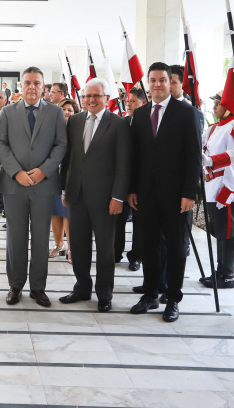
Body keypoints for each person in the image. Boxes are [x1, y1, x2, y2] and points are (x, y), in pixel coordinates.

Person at [127, 62, 201, 323]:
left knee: (175, 248)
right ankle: (150, 294)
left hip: (176, 195)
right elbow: (135, 157)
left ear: (170, 82)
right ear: (148, 83)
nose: (157, 84)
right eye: (153, 80)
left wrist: (189, 192)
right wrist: (133, 189)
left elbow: (194, 155)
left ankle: (172, 298)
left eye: (162, 80)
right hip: (145, 194)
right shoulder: (140, 114)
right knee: (148, 245)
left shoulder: (186, 113)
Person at [0, 67, 67, 307]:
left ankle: (38, 287)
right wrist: (16, 172)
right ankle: (15, 286)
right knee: (15, 237)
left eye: (37, 83)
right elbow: (1, 143)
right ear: (21, 86)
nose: (32, 87)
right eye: (27, 82)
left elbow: (60, 145)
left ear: (43, 87)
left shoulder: (55, 112)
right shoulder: (7, 112)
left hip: (43, 185)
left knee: (39, 237)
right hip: (14, 185)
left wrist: (43, 170)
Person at [60, 80, 129, 312]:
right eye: (87, 96)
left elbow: (123, 164)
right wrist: (64, 189)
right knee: (78, 246)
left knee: (105, 249)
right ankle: (82, 287)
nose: (90, 100)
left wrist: (118, 197)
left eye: (96, 96)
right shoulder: (76, 121)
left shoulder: (119, 124)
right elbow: (68, 158)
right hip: (76, 196)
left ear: (106, 97)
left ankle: (104, 294)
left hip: (105, 199)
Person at [199, 91, 234, 290]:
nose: (214, 107)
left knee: (228, 233)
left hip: (227, 189)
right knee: (219, 232)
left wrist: (227, 191)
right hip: (212, 187)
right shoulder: (213, 128)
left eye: (218, 103)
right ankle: (219, 271)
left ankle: (227, 275)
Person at [118, 87, 147, 271]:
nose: (128, 103)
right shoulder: (122, 122)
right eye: (128, 100)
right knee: (118, 219)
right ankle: (115, 251)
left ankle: (136, 256)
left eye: (133, 101)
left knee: (140, 222)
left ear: (143, 103)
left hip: (140, 181)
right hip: (121, 180)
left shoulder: (148, 124)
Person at [50, 98, 78, 260]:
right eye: (64, 109)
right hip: (53, 176)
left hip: (70, 177)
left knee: (67, 213)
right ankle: (58, 244)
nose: (66, 112)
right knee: (55, 213)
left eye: (70, 110)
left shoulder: (77, 129)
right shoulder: (53, 128)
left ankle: (71, 248)